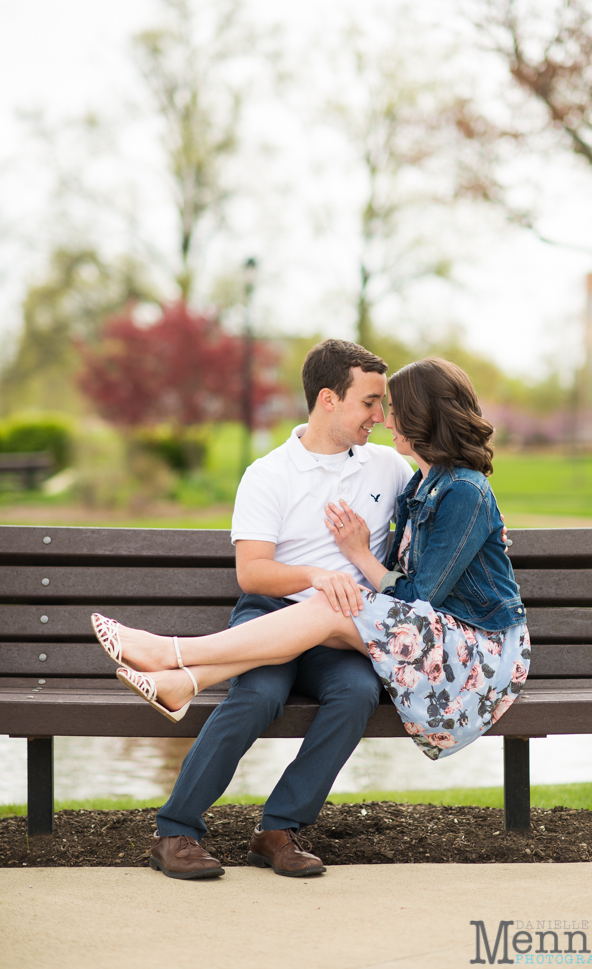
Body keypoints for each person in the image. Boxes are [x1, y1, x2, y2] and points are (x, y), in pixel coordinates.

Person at [92, 355, 530, 877]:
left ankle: (277, 827)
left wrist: (484, 535)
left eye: (385, 405)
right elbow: (253, 574)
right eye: (370, 402)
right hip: (277, 610)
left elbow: (450, 525)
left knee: (357, 693)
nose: (380, 416)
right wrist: (315, 575)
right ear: (329, 399)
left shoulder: (391, 468)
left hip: (352, 626)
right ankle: (176, 831)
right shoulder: (269, 473)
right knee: (259, 693)